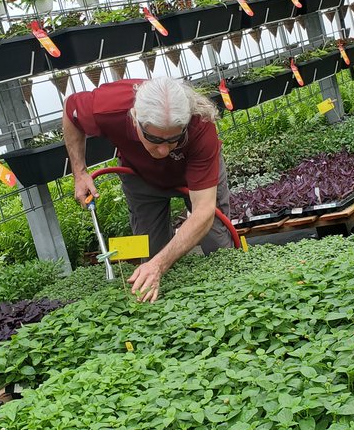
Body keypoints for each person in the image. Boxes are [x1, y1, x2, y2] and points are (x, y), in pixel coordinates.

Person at [63, 76, 232, 302]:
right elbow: (70, 111)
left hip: (194, 175)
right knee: (150, 253)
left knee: (219, 247)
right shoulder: (107, 108)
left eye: (174, 139)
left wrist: (160, 265)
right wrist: (80, 172)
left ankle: (226, 300)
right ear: (135, 118)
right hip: (141, 177)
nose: (163, 151)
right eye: (153, 138)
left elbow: (203, 212)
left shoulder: (200, 123)